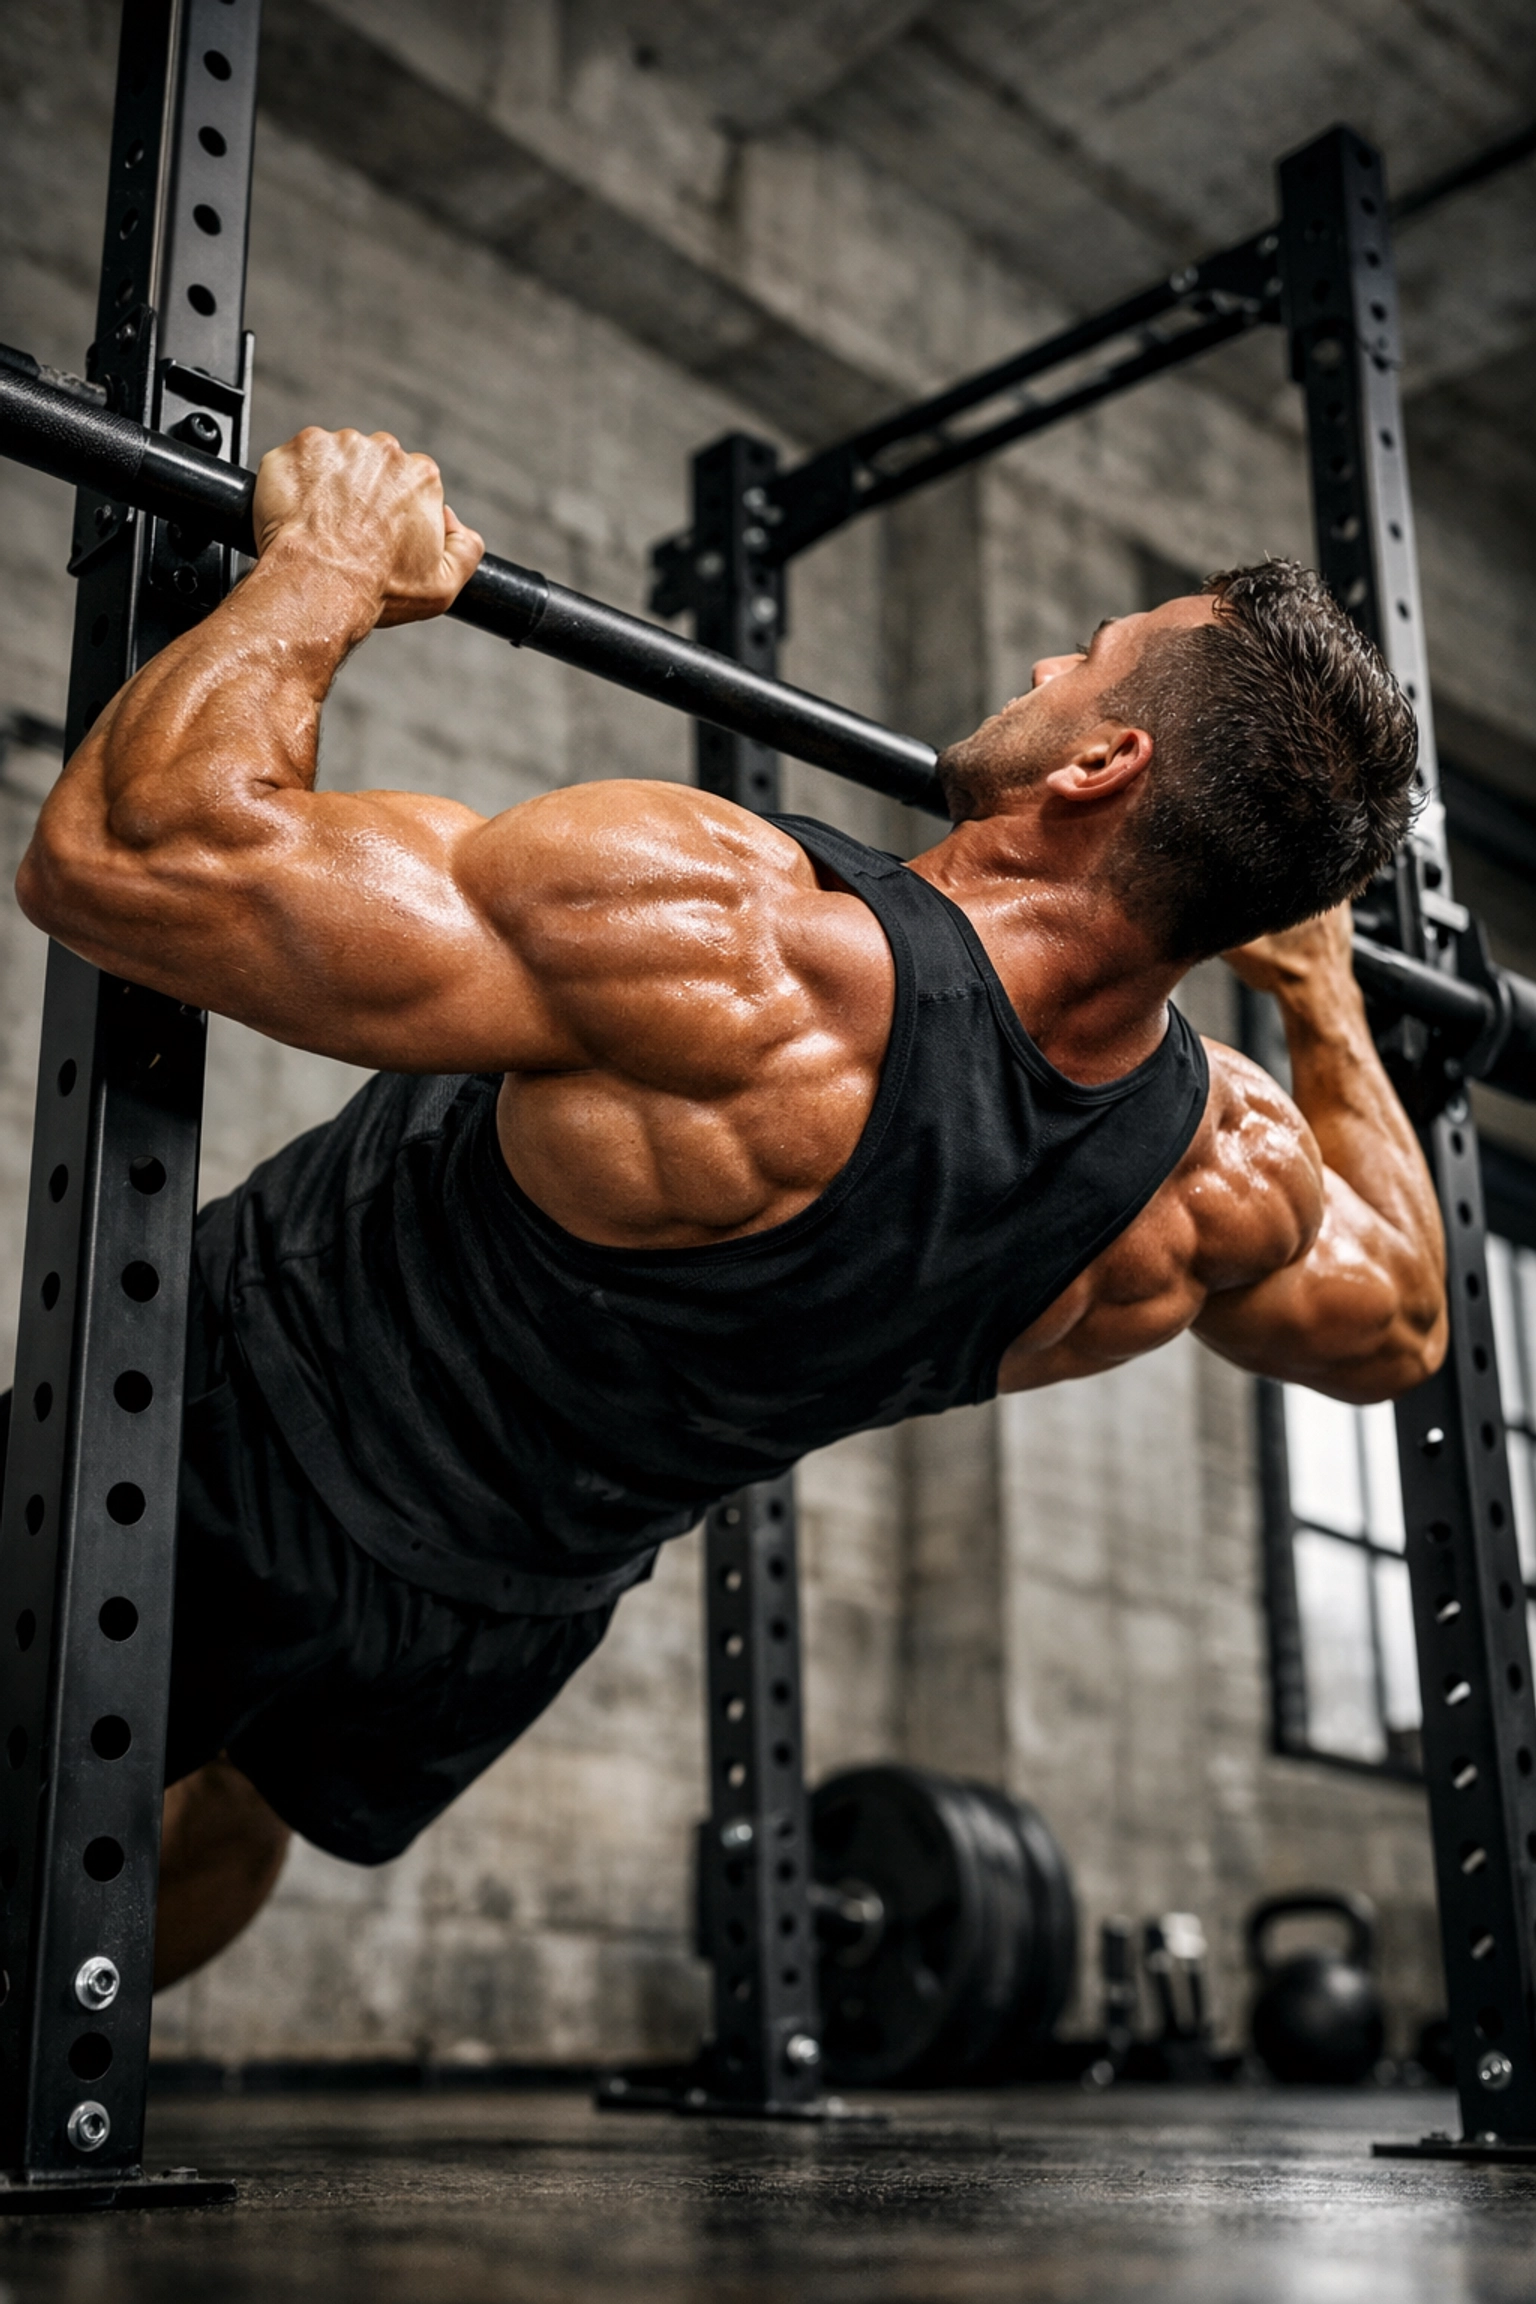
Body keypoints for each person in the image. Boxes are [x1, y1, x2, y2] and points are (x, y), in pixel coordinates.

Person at [12, 427, 1445, 1988]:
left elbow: (126, 860)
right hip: (508, 1620)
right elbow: (1402, 1328)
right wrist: (1321, 997)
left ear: (1101, 768)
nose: (1047, 658)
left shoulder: (747, 952)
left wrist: (329, 567)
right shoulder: (1217, 1174)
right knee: (231, 1810)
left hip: (240, 1427)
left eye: (1089, 660)